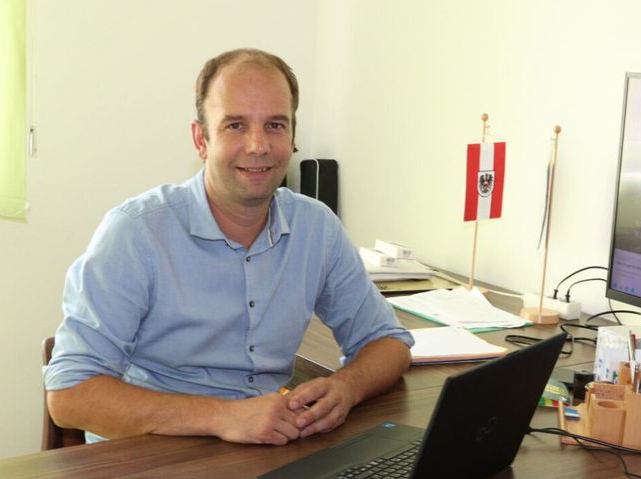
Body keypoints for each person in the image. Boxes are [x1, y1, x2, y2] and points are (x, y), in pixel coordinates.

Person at [44, 48, 412, 446]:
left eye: (275, 125)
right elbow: (69, 394)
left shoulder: (316, 227)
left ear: (292, 136)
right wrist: (224, 417)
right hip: (151, 458)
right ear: (201, 139)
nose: (258, 145)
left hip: (265, 451)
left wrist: (346, 388)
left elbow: (389, 342)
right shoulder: (136, 234)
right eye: (235, 125)